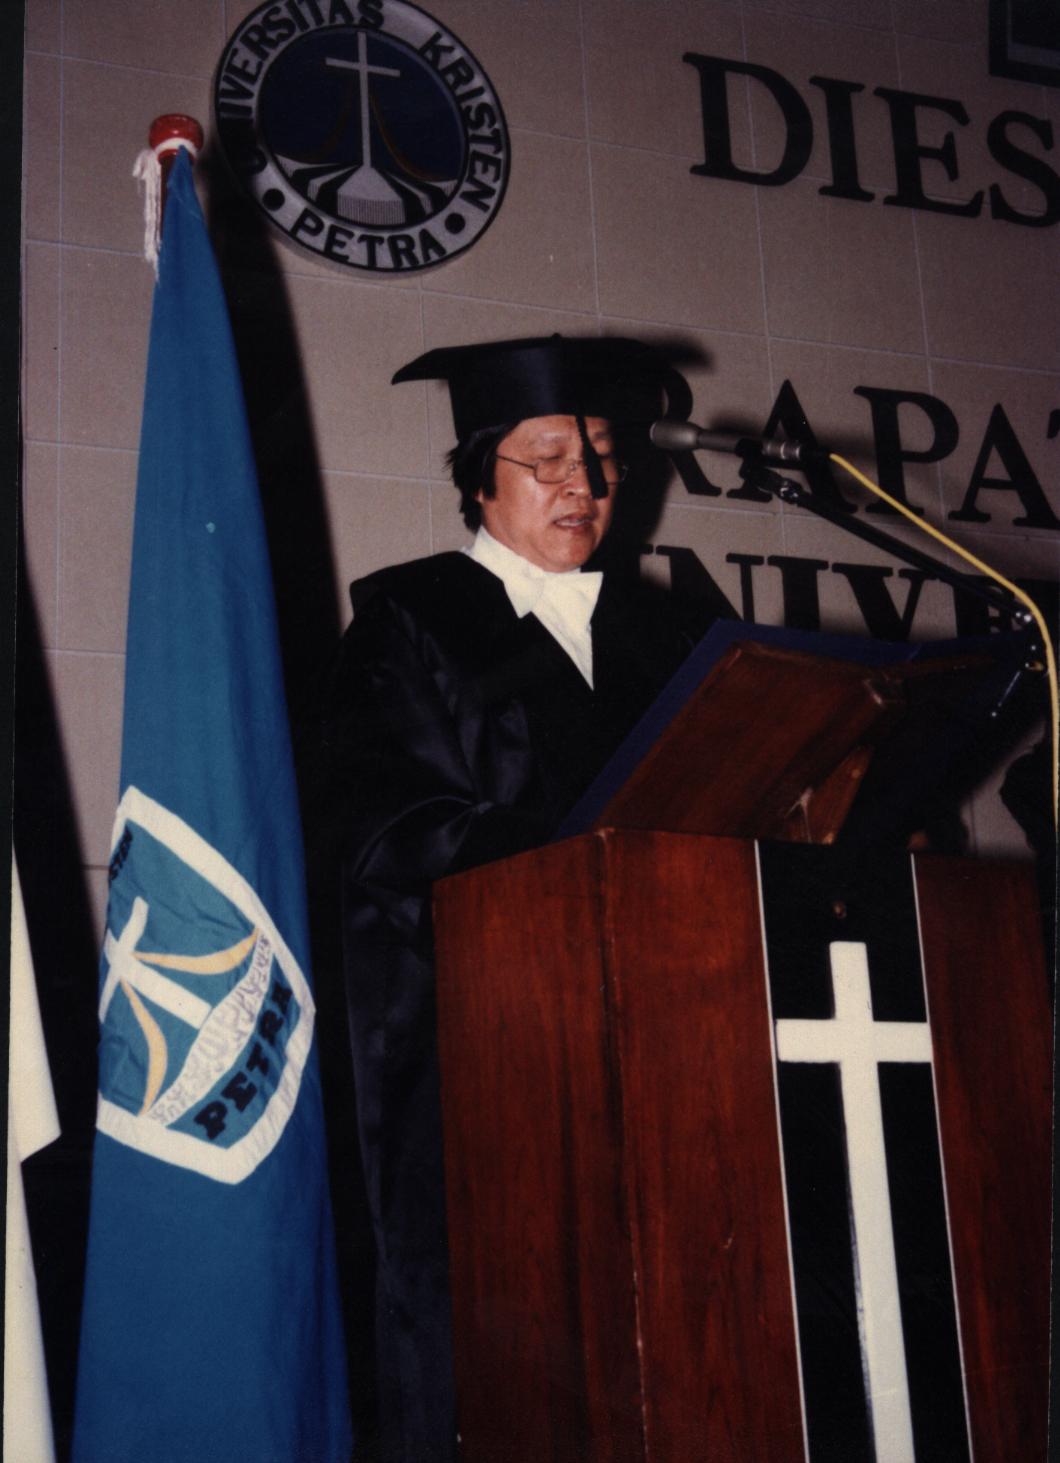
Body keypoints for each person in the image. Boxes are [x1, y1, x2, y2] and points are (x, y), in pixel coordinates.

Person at [303, 335, 710, 1462]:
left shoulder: (669, 633)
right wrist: (583, 857)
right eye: (548, 459)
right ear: (479, 475)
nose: (585, 485)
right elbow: (384, 825)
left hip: (667, 1042)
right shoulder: (411, 620)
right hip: (477, 1051)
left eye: (603, 457)